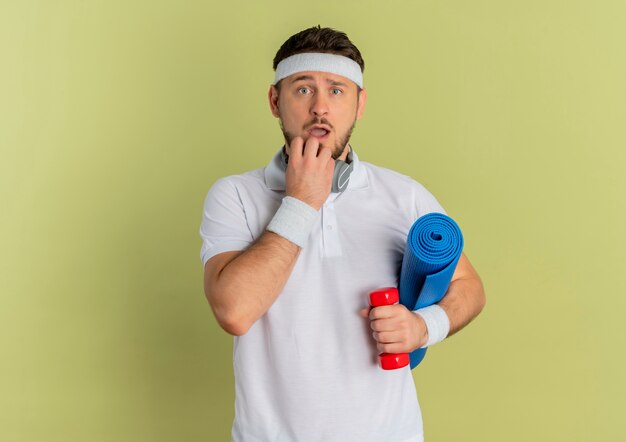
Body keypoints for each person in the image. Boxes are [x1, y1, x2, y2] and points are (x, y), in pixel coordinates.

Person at [199, 25, 485, 442]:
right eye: (302, 89)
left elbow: (470, 287)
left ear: (359, 104)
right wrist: (301, 202)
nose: (320, 108)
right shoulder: (235, 196)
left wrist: (424, 328)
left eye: (336, 90)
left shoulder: (403, 196)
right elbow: (234, 311)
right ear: (275, 101)